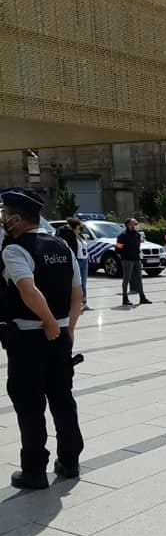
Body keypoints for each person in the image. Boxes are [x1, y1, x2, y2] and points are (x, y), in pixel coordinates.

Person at [0, 188, 84, 489]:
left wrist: (48, 321)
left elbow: (27, 289)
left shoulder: (15, 249)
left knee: (30, 405)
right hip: (61, 336)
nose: (3, 219)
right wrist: (68, 328)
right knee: (63, 399)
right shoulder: (62, 245)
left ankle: (34, 472)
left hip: (29, 339)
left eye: (5, 214)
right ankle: (70, 461)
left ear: (17, 218)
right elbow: (78, 292)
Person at [116, 218, 151, 306]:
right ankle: (125, 298)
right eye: (134, 223)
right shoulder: (122, 235)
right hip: (127, 259)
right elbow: (117, 249)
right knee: (126, 278)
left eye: (136, 223)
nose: (136, 224)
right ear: (128, 224)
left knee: (139, 278)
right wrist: (123, 258)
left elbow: (138, 246)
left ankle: (142, 297)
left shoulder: (137, 234)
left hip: (136, 258)